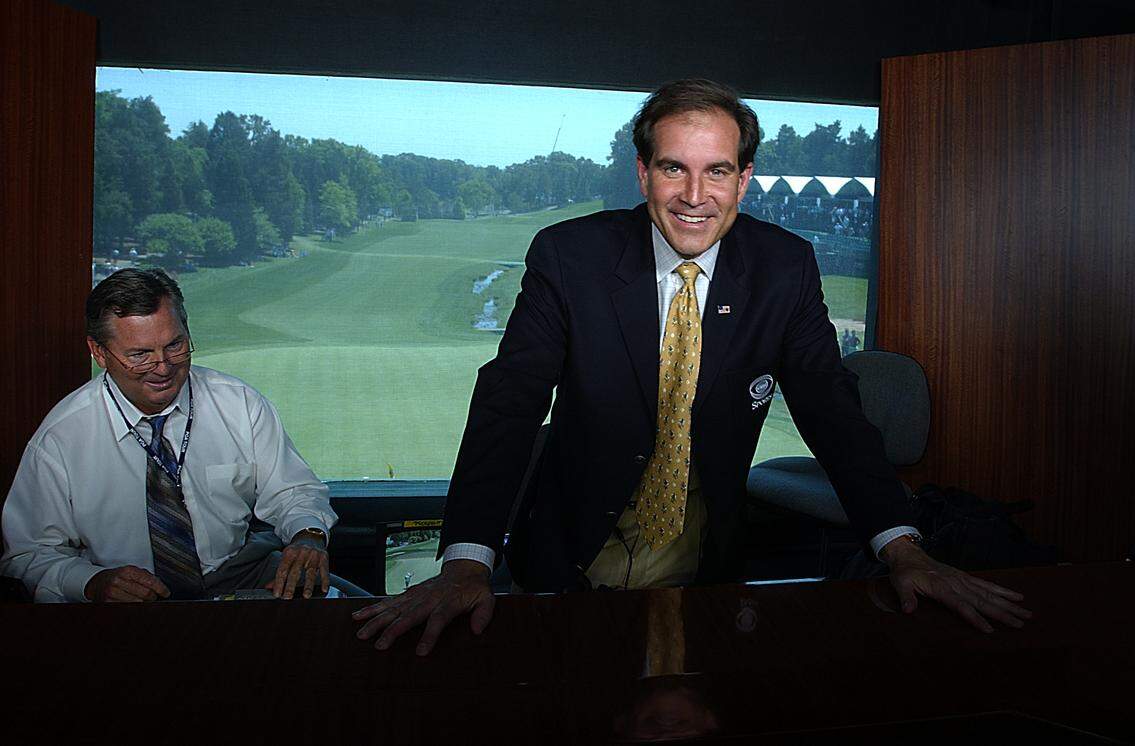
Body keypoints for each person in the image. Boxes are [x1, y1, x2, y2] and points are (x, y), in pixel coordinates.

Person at [354, 79, 1030, 653]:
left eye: (717, 171)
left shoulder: (784, 268)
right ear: (642, 173)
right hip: (565, 561)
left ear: (744, 178)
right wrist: (467, 561)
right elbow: (510, 401)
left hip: (706, 574)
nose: (694, 195)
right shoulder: (569, 257)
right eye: (674, 167)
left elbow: (832, 411)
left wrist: (902, 548)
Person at [1, 268, 336, 602]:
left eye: (175, 345)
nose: (163, 367)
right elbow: (27, 554)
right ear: (99, 352)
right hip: (121, 599)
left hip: (239, 574)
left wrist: (308, 535)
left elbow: (293, 491)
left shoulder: (240, 403)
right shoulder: (61, 437)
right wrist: (92, 582)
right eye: (139, 354)